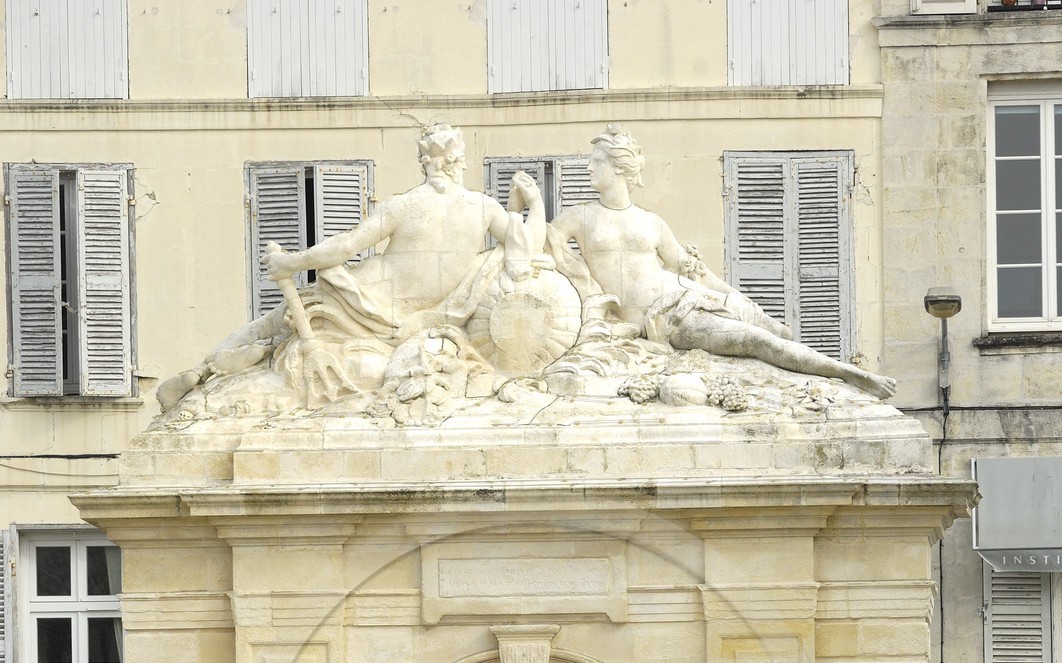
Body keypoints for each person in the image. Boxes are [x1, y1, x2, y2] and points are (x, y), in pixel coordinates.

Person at [157, 124, 542, 410]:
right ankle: (209, 372)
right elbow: (529, 244)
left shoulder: (404, 205)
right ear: (458, 164)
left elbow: (343, 247)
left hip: (364, 297)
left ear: (426, 165)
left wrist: (289, 261)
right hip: (414, 315)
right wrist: (533, 202)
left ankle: (204, 370)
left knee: (273, 325)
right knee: (280, 334)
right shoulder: (484, 208)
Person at [551, 124, 896, 402]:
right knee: (760, 342)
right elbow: (532, 244)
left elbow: (695, 273)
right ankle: (851, 375)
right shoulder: (579, 217)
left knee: (776, 331)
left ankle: (837, 372)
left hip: (687, 295)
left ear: (618, 167)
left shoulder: (651, 222)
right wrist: (522, 201)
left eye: (596, 161)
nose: (588, 167)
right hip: (665, 319)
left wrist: (739, 298)